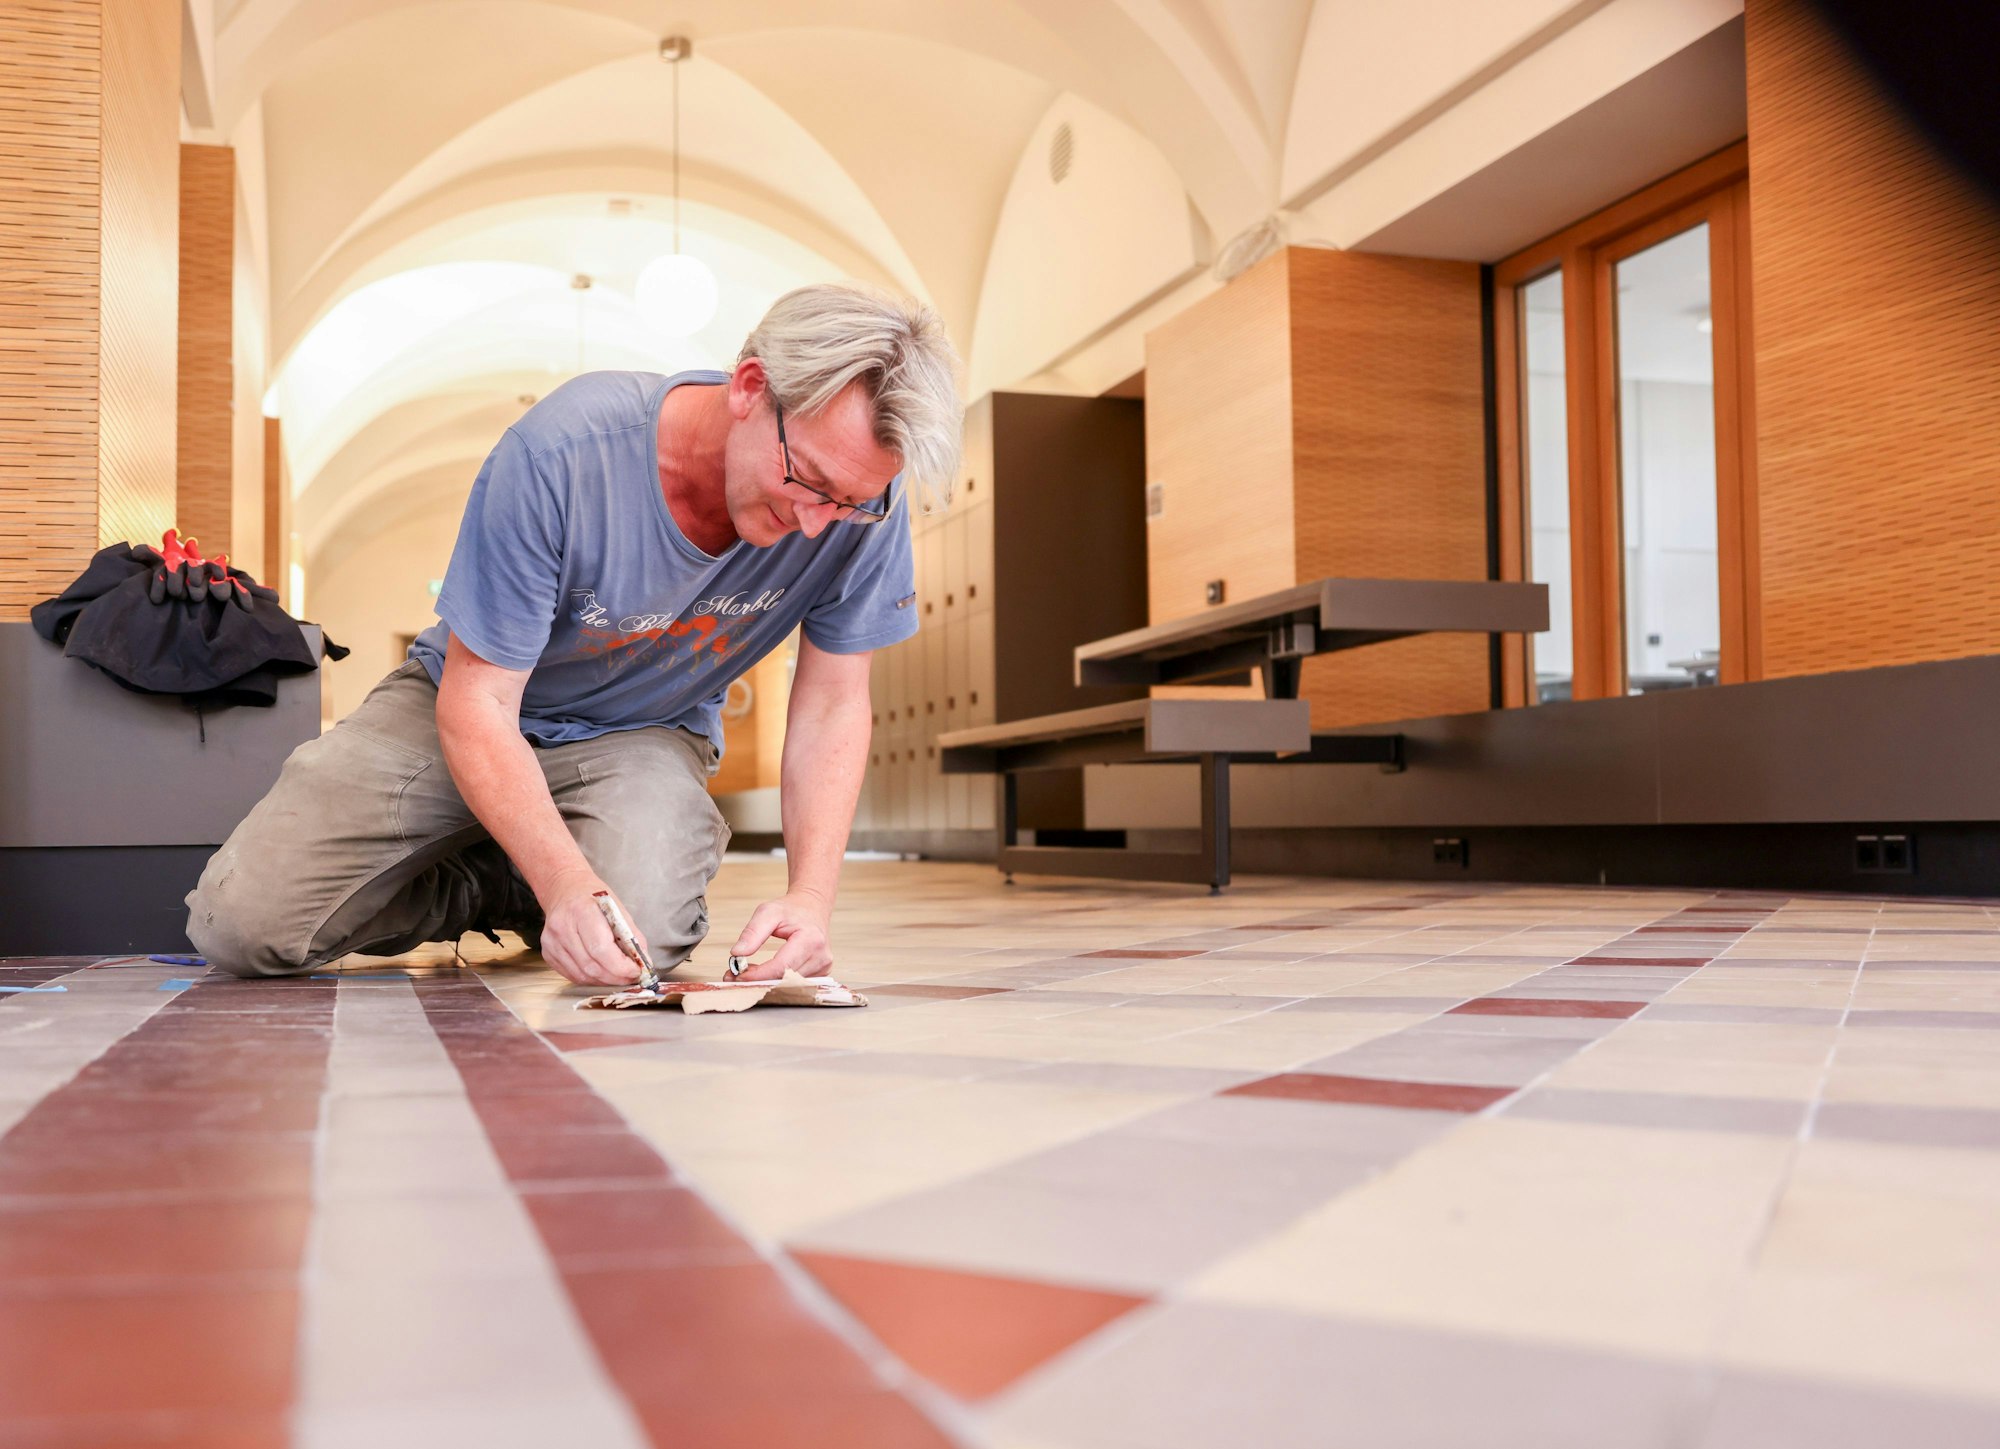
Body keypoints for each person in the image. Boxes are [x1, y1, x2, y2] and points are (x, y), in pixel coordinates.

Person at [187, 283, 960, 987]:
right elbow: (478, 701)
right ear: (751, 388)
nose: (817, 521)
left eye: (852, 500)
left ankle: (515, 878)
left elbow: (832, 705)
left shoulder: (863, 512)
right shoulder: (562, 453)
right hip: (467, 707)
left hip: (643, 732)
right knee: (243, 921)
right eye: (808, 480)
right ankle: (526, 863)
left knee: (641, 938)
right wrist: (567, 880)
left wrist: (810, 898)